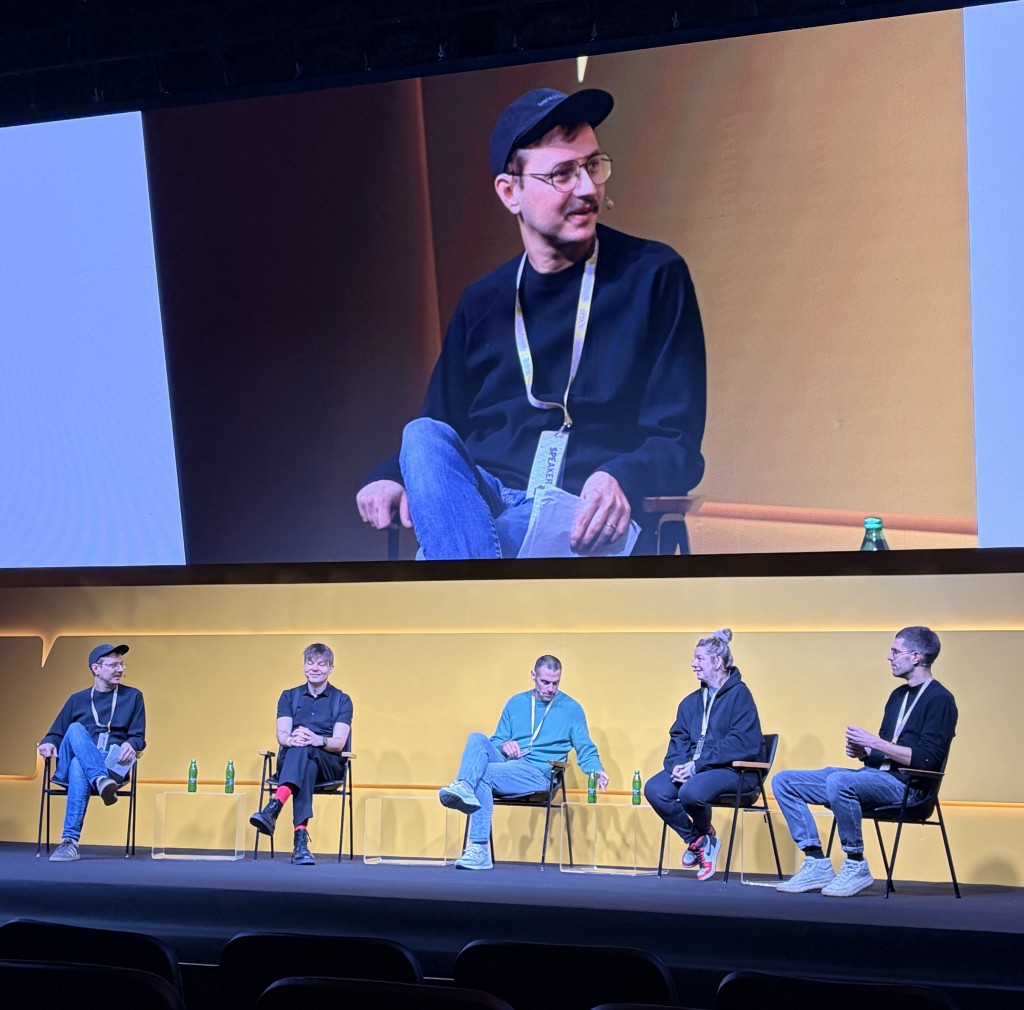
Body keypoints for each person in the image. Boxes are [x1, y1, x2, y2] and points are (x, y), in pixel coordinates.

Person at [356, 86, 706, 559]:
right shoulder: (483, 302)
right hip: (488, 498)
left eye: (593, 166)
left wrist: (621, 475)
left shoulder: (653, 277)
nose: (587, 189)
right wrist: (390, 476)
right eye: (562, 174)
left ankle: (464, 581)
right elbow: (442, 424)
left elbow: (677, 443)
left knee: (461, 547)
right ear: (510, 192)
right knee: (420, 436)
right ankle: (478, 578)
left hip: (581, 514)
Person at [773, 626, 958, 898]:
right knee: (784, 781)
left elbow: (928, 760)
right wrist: (864, 752)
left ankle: (855, 863)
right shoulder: (898, 696)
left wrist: (876, 743)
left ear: (916, 657)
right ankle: (816, 860)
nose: (889, 657)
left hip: (910, 788)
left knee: (839, 781)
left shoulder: (940, 700)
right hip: (874, 778)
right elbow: (884, 756)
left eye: (895, 651)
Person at [438, 655, 608, 869]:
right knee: (477, 739)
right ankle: (464, 787)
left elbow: (585, 747)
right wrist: (504, 745)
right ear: (533, 676)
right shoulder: (516, 703)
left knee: (483, 774)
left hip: (539, 772)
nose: (550, 688)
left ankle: (479, 848)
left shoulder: (571, 709)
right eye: (545, 682)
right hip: (509, 763)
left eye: (555, 683)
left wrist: (596, 770)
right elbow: (496, 740)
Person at [644, 629, 763, 881]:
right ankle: (699, 840)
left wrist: (696, 766)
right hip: (696, 770)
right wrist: (678, 765)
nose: (693, 664)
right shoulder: (690, 702)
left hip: (733, 770)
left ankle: (701, 839)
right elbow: (678, 737)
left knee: (691, 792)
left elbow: (740, 742)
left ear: (717, 662)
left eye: (699, 658)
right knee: (655, 789)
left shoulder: (740, 696)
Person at [37, 643, 146, 862]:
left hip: (113, 764)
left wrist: (132, 744)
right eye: (113, 665)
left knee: (79, 764)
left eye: (122, 665)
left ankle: (69, 842)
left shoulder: (133, 696)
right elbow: (55, 733)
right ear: (96, 668)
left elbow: (138, 736)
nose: (120, 669)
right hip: (94, 775)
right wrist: (47, 743)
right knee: (75, 728)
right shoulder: (77, 699)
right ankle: (99, 779)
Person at [249, 643, 353, 866]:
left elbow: (338, 743)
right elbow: (282, 734)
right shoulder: (289, 697)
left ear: (330, 669)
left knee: (306, 752)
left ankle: (275, 806)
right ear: (304, 666)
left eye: (321, 664)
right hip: (295, 762)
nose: (315, 668)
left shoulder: (342, 700)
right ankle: (300, 843)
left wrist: (317, 739)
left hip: (328, 764)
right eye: (310, 662)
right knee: (304, 758)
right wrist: (291, 740)